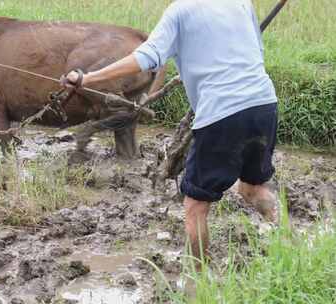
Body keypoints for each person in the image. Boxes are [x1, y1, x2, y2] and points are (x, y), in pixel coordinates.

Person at [61, 0, 279, 268]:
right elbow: (256, 50)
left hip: (222, 111)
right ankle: (288, 243)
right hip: (264, 104)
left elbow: (146, 57)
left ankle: (198, 280)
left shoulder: (180, 10)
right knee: (253, 188)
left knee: (195, 207)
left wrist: (87, 78)